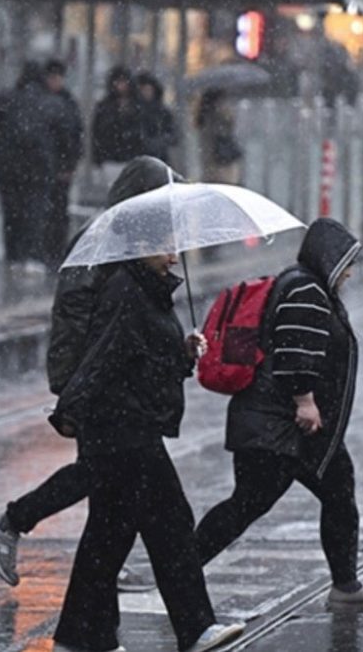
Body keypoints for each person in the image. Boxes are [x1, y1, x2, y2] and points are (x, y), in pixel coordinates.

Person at [0, 157, 183, 594]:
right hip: (99, 382)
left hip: (111, 380)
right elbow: (77, 316)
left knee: (111, 478)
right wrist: (74, 383)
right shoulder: (104, 241)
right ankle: (11, 522)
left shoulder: (127, 240)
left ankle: (100, 567)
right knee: (103, 472)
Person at [45, 200, 244, 652]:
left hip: (125, 426)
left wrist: (182, 352)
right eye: (166, 246)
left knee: (108, 536)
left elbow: (144, 358)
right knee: (170, 524)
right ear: (139, 246)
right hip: (123, 429)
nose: (174, 255)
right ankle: (195, 628)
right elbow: (105, 356)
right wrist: (71, 408)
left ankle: (78, 636)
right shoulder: (127, 291)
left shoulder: (146, 288)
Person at [191, 218, 363, 610]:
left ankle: (346, 585)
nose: (350, 272)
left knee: (327, 492)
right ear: (330, 258)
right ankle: (181, 569)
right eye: (347, 262)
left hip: (283, 425)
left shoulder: (303, 284)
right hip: (282, 425)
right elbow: (295, 352)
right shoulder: (306, 291)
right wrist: (305, 400)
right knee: (253, 503)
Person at [0, 61, 66, 273]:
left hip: (8, 166)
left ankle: (14, 256)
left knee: (11, 211)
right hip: (39, 166)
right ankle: (33, 256)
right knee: (35, 210)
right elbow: (64, 135)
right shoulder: (51, 102)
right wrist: (64, 163)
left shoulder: (6, 99)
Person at [44, 58, 85, 268]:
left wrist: (69, 165)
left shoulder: (67, 103)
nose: (55, 82)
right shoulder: (62, 103)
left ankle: (56, 250)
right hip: (46, 166)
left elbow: (75, 137)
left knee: (58, 210)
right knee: (51, 210)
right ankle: (50, 250)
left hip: (58, 167)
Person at [91, 65, 145, 185]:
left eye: (124, 81)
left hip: (132, 157)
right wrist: (98, 159)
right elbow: (97, 134)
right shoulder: (104, 107)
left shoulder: (139, 106)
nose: (121, 86)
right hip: (111, 158)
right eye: (118, 82)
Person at [195, 88, 242, 186]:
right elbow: (222, 136)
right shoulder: (215, 120)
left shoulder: (206, 118)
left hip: (215, 163)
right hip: (220, 162)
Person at [135, 71, 178, 164]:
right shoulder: (134, 111)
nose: (146, 93)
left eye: (148, 89)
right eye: (143, 90)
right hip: (138, 158)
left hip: (160, 158)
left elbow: (174, 134)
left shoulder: (162, 111)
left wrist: (159, 142)